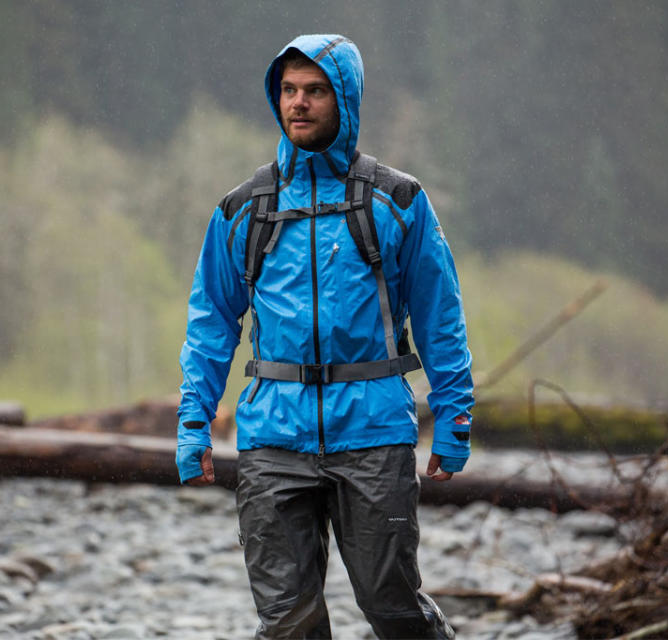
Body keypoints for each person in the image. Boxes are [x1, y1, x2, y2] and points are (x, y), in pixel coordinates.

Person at [176, 34, 473, 639]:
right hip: (271, 439)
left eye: (315, 90)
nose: (299, 103)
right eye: (288, 90)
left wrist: (454, 418)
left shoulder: (398, 202)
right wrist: (193, 423)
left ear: (345, 98)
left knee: (390, 604)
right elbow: (211, 323)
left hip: (373, 433)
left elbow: (441, 317)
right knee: (287, 621)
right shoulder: (243, 209)